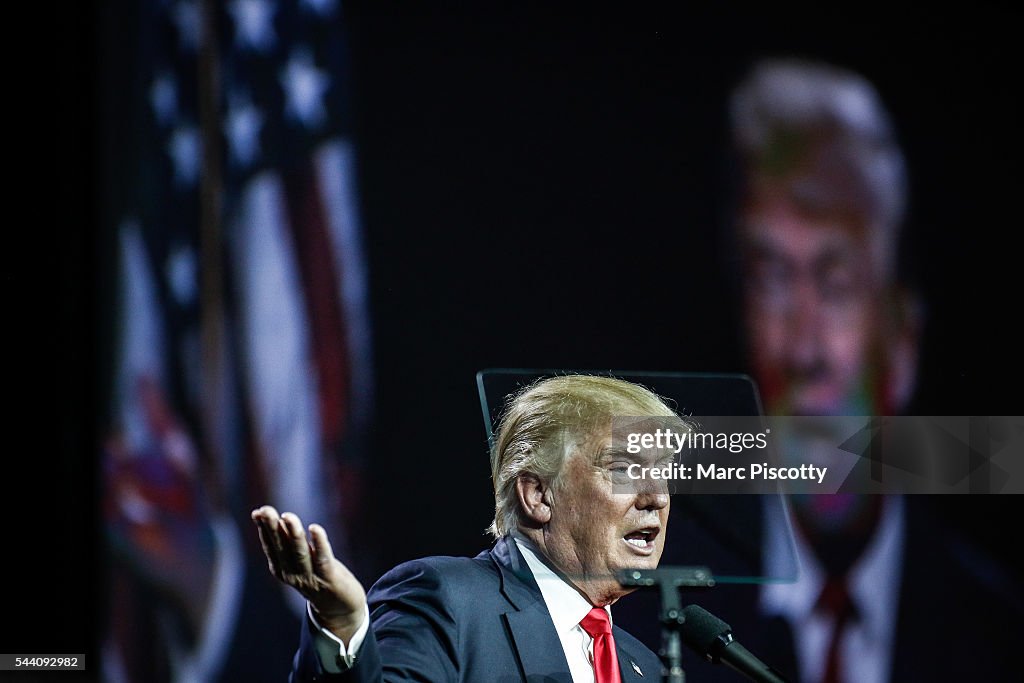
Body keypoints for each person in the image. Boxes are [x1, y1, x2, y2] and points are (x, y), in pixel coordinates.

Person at [647, 57, 1021, 683]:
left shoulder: (1001, 641)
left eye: (837, 282)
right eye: (772, 281)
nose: (803, 350)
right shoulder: (650, 627)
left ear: (902, 337)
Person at [252, 374, 694, 682]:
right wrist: (343, 625)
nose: (655, 496)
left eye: (663, 475)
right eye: (623, 469)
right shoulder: (447, 600)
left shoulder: (646, 666)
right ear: (538, 495)